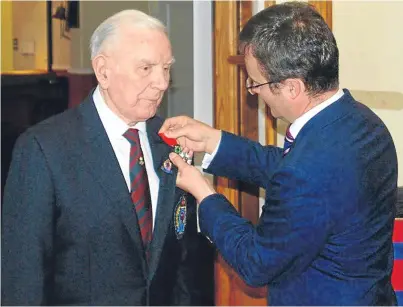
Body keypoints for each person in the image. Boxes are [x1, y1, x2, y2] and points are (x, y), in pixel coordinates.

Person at [159, 2, 398, 305]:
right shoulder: (365, 124)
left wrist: (204, 193)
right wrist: (213, 140)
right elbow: (287, 166)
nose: (253, 91)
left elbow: (256, 263)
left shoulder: (306, 171)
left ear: (292, 88)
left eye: (256, 83)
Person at [1, 10, 214, 306]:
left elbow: (186, 264)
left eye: (166, 68)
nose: (163, 82)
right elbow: (23, 279)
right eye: (146, 68)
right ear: (103, 71)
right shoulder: (44, 150)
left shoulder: (171, 144)